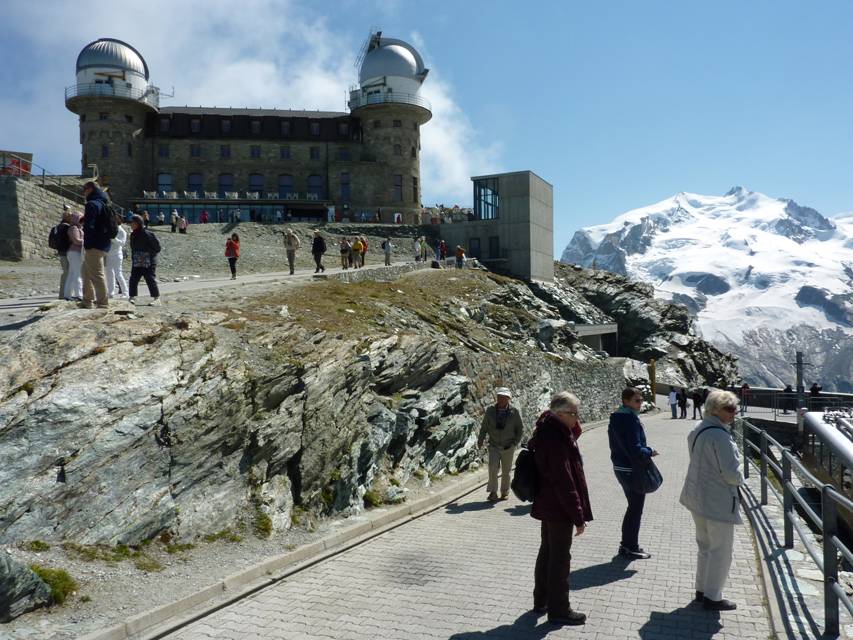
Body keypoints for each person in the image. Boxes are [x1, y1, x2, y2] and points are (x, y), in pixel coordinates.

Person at [529, 391, 592, 626]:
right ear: (561, 413)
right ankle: (559, 610)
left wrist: (574, 428)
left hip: (549, 504)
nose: (578, 418)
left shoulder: (551, 429)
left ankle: (541, 600)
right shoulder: (555, 438)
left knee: (547, 552)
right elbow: (564, 481)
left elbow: (573, 437)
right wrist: (578, 516)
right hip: (558, 507)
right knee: (559, 559)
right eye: (574, 414)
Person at [680, 389, 743, 611]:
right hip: (717, 501)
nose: (734, 413)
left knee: (705, 546)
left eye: (735, 408)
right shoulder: (721, 436)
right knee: (721, 550)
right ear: (716, 410)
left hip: (696, 497)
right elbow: (731, 474)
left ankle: (702, 589)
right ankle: (713, 596)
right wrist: (741, 475)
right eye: (729, 408)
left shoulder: (697, 430)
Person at [608, 387, 658, 560]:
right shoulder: (631, 420)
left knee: (632, 508)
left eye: (641, 400)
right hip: (632, 469)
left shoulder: (615, 418)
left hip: (620, 467)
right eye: (636, 400)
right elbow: (636, 450)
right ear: (626, 401)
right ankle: (630, 547)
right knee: (635, 509)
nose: (640, 403)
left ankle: (626, 545)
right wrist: (650, 451)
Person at [476, 387, 524, 502]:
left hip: (508, 446)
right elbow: (484, 426)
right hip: (494, 445)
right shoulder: (490, 411)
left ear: (508, 399)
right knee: (492, 468)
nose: (501, 399)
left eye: (504, 397)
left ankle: (504, 492)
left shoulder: (514, 412)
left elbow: (520, 429)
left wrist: (514, 443)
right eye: (499, 397)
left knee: (506, 471)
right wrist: (480, 439)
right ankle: (493, 492)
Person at [80, 181, 112, 309]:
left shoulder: (92, 204)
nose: (83, 192)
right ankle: (87, 301)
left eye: (84, 189)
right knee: (85, 272)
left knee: (97, 274)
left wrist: (87, 243)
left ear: (90, 189)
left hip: (94, 244)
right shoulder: (104, 203)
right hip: (104, 243)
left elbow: (90, 226)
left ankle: (103, 303)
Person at [127, 214, 162, 306]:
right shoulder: (133, 234)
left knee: (150, 279)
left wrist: (147, 254)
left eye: (133, 223)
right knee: (133, 279)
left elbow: (157, 248)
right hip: (137, 260)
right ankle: (132, 297)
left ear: (138, 223)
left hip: (149, 260)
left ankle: (157, 298)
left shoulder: (147, 234)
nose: (131, 224)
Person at [106, 213, 128, 298]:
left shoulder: (122, 231)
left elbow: (121, 243)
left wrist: (113, 239)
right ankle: (111, 292)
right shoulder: (111, 230)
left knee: (118, 273)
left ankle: (125, 292)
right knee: (109, 274)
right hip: (109, 254)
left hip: (117, 254)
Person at [64, 211, 84, 300]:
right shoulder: (74, 228)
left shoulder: (75, 227)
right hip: (75, 252)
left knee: (72, 274)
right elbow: (76, 240)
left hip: (73, 252)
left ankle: (67, 294)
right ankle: (78, 295)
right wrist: (87, 242)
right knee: (77, 274)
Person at [53, 206, 73, 299]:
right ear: (67, 218)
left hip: (61, 252)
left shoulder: (58, 226)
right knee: (67, 273)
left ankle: (64, 294)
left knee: (66, 272)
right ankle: (64, 295)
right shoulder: (66, 227)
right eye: (70, 217)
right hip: (66, 253)